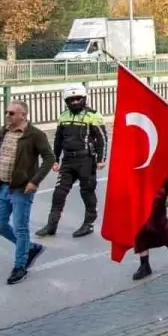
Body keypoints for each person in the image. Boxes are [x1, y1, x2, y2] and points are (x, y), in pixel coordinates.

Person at [0, 101, 54, 285]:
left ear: (23, 116)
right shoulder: (4, 131)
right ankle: (30, 248)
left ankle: (20, 267)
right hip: (2, 187)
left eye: (11, 113)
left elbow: (49, 158)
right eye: (6, 112)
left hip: (21, 190)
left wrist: (34, 181)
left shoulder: (35, 135)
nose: (7, 116)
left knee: (20, 227)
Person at [36, 84, 107, 239]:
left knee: (87, 192)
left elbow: (102, 138)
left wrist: (101, 159)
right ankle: (51, 225)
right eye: (71, 99)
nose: (75, 102)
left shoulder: (93, 115)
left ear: (84, 98)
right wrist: (55, 159)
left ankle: (88, 223)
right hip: (68, 160)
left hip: (86, 160)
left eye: (78, 99)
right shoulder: (63, 116)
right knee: (59, 193)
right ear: (66, 101)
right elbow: (58, 139)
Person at [131, 168, 168, 281]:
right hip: (137, 182)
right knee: (139, 224)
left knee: (156, 222)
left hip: (158, 184)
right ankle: (144, 264)